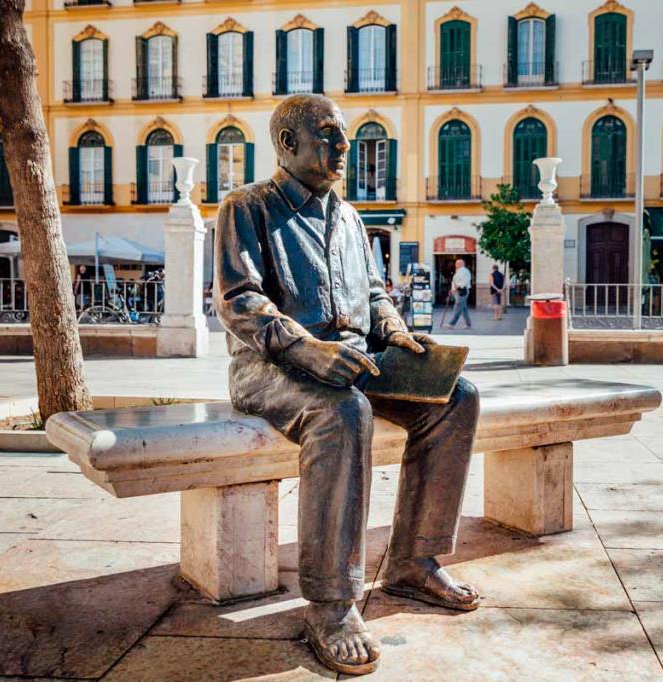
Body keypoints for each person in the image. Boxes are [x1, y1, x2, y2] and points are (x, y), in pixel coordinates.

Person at [214, 94, 480, 676]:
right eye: (330, 134)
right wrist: (303, 347)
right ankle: (332, 603)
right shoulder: (247, 207)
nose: (344, 147)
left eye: (345, 136)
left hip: (356, 358)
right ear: (288, 143)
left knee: (456, 397)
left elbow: (376, 294)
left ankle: (413, 561)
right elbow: (239, 301)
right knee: (344, 413)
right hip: (272, 368)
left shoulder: (352, 218)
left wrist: (399, 333)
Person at [446, 258, 472, 329]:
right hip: (458, 292)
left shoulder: (465, 271)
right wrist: (452, 289)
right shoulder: (459, 271)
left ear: (461, 264)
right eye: (456, 263)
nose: (455, 264)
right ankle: (468, 324)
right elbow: (454, 282)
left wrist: (456, 288)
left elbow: (464, 282)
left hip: (462, 292)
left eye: (457, 263)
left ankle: (452, 323)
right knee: (463, 309)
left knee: (458, 307)